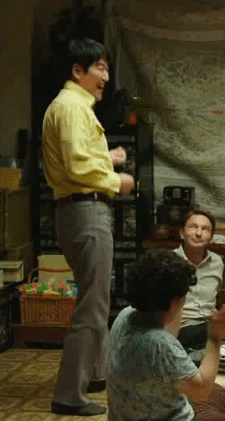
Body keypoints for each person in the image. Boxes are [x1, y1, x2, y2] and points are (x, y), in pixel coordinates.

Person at [43, 37, 135, 416]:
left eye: (106, 68)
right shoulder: (70, 107)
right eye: (100, 68)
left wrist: (107, 156)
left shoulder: (75, 106)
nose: (106, 77)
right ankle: (69, 394)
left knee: (96, 298)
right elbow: (77, 166)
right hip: (85, 210)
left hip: (83, 210)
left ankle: (96, 374)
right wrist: (117, 181)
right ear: (77, 71)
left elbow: (78, 156)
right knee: (93, 305)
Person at [107, 248, 225, 421]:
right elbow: (202, 392)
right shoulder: (159, 343)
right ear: (175, 300)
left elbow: (171, 333)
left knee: (219, 394)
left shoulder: (125, 315)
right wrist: (215, 337)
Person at [174, 208, 225, 354]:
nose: (198, 233)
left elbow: (217, 299)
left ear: (210, 237)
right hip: (182, 328)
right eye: (193, 227)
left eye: (205, 229)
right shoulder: (169, 261)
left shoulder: (217, 262)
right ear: (182, 233)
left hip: (210, 324)